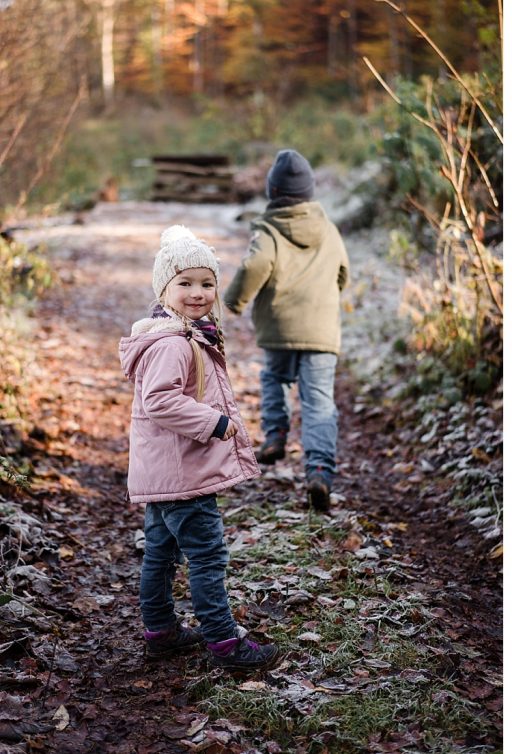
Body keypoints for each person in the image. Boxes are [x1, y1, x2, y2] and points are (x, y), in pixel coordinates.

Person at [119, 225, 278, 671]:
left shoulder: (185, 334)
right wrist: (214, 422)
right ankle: (225, 644)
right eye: (184, 283)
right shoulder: (174, 342)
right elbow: (160, 401)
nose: (198, 292)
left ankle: (161, 631)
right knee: (207, 557)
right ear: (164, 289)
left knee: (161, 553)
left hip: (167, 471)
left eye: (207, 283)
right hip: (184, 473)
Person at [223, 148, 350, 511]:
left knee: (275, 378)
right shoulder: (329, 229)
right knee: (319, 402)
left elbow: (256, 265)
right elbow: (343, 272)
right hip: (322, 332)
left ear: (273, 194)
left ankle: (276, 435)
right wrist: (326, 296)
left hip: (279, 326)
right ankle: (320, 470)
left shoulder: (270, 230)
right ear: (310, 192)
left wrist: (234, 301)